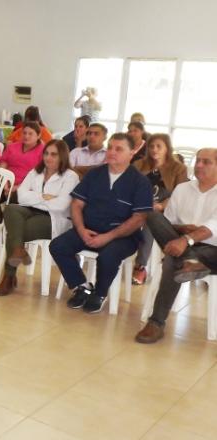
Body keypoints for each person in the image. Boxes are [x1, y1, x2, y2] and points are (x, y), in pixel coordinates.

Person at [49, 133, 153, 314]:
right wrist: (81, 230)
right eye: (110, 147)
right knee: (58, 246)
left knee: (108, 256)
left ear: (131, 154)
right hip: (88, 229)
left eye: (119, 149)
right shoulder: (94, 175)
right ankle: (81, 286)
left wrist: (108, 237)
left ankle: (99, 293)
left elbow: (138, 218)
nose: (112, 152)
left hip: (122, 236)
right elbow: (76, 204)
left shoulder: (140, 182)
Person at [134, 148, 217, 343]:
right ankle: (189, 260)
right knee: (153, 215)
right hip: (182, 242)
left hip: (212, 250)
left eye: (206, 162)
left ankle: (156, 322)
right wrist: (182, 230)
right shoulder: (182, 189)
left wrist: (186, 240)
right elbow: (169, 223)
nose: (198, 165)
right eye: (197, 161)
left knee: (172, 260)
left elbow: (213, 226)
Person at [0, 140, 79, 296]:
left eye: (53, 154)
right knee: (11, 208)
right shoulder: (36, 171)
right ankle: (18, 253)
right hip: (29, 211)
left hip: (54, 219)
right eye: (46, 153)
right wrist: (45, 197)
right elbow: (20, 196)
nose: (48, 158)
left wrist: (34, 197)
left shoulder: (70, 176)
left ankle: (9, 276)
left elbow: (61, 205)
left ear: (62, 156)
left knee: (16, 232)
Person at [131, 133, 190, 284]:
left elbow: (180, 195)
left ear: (167, 149)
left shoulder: (178, 168)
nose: (154, 150)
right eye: (151, 146)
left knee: (150, 221)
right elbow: (129, 188)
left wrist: (161, 205)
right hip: (138, 205)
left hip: (164, 209)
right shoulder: (139, 165)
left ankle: (140, 265)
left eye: (159, 146)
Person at [0, 121, 44, 189]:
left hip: (28, 187)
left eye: (30, 134)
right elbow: (3, 164)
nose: (26, 136)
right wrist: (4, 182)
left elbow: (41, 176)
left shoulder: (44, 151)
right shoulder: (12, 146)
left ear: (38, 135)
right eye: (24, 133)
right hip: (5, 182)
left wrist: (17, 188)